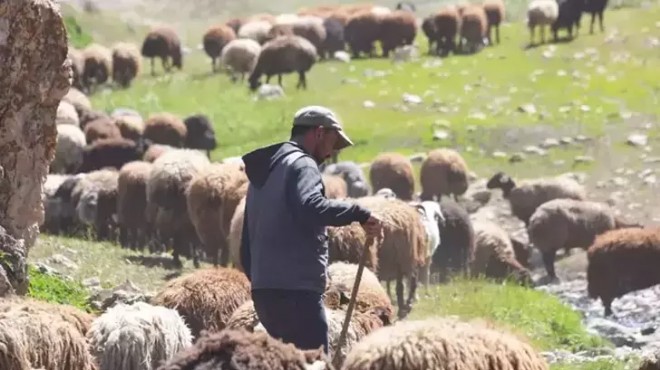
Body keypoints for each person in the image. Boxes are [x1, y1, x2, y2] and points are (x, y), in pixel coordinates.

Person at [239, 105, 382, 355]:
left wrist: (261, 281)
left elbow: (246, 241)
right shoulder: (303, 165)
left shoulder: (265, 171)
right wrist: (358, 212)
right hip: (297, 294)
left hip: (265, 293)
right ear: (318, 133)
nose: (331, 153)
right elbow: (311, 207)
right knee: (313, 361)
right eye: (333, 141)